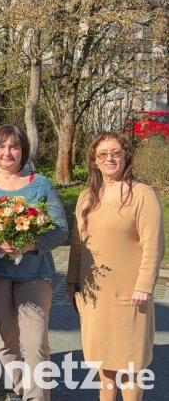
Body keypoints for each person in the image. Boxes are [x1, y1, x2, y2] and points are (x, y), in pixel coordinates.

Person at [0, 124, 68, 401]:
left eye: (14, 147)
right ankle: (19, 390)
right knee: (7, 342)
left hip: (35, 273)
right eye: (1, 147)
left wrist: (32, 244)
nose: (7, 152)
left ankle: (37, 397)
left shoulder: (40, 184)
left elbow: (60, 229)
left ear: (23, 150)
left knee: (35, 343)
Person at [67, 132, 165, 401]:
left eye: (116, 153)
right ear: (94, 161)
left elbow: (153, 245)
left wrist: (144, 286)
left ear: (126, 157)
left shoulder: (142, 195)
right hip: (94, 298)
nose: (109, 158)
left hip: (130, 297)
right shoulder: (86, 196)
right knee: (104, 369)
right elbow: (78, 244)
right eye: (102, 154)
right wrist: (72, 282)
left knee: (130, 368)